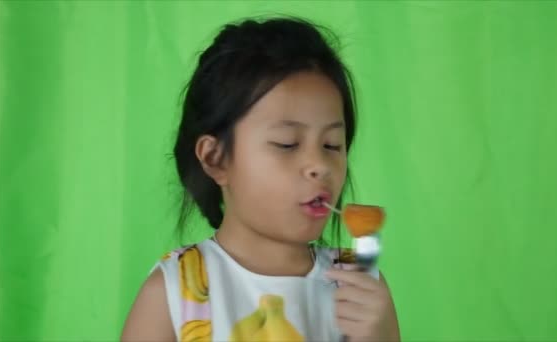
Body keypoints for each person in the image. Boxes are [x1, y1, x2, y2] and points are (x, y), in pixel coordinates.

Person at [121, 17, 400, 342]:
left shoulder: (361, 289)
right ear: (216, 158)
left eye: (331, 146)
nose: (319, 165)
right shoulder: (171, 294)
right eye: (287, 143)